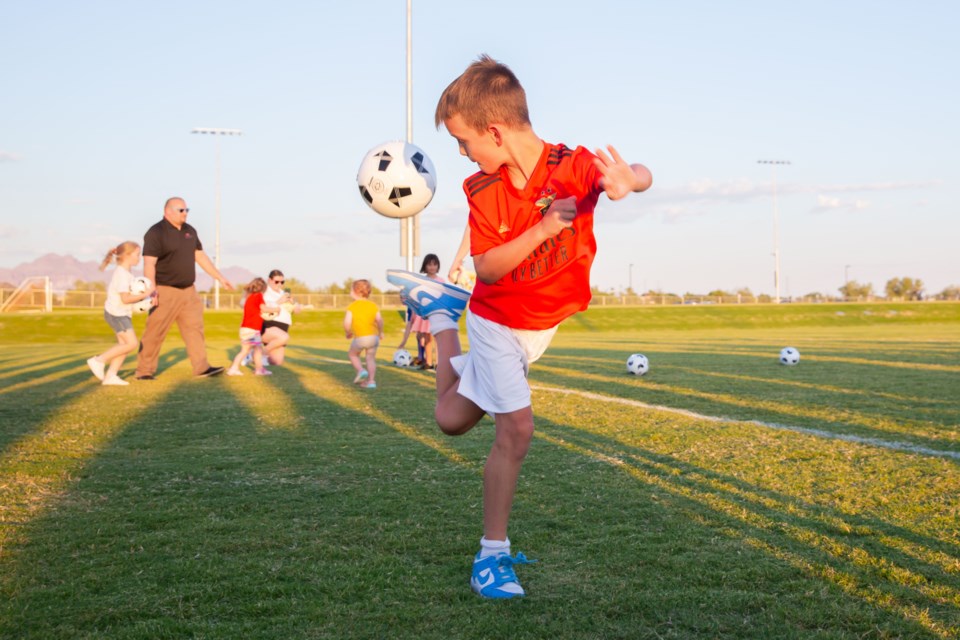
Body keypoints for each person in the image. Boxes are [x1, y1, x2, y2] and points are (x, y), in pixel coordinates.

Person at [387, 55, 652, 599]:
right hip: (496, 319)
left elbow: (637, 174)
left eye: (463, 142)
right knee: (518, 429)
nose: (462, 154)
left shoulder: (572, 165)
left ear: (495, 130)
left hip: (539, 327)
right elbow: (486, 267)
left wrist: (631, 181)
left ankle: (439, 315)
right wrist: (549, 225)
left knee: (451, 418)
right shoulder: (482, 189)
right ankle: (492, 556)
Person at [134, 197, 234, 380]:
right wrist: (151, 290)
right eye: (181, 210)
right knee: (155, 332)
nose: (185, 213)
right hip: (164, 291)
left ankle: (202, 368)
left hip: (189, 291)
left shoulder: (190, 231)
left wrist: (220, 278)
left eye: (187, 209)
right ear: (168, 211)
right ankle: (144, 371)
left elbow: (201, 257)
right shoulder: (156, 232)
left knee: (195, 330)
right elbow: (149, 264)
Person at [86, 241, 153, 386]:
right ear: (127, 255)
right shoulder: (122, 274)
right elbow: (126, 298)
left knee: (123, 345)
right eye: (137, 254)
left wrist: (147, 302)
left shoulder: (127, 273)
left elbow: (130, 300)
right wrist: (145, 294)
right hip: (116, 314)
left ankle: (111, 376)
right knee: (131, 343)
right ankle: (98, 360)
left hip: (121, 313)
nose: (139, 258)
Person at [397, 253, 444, 370]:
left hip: (436, 312)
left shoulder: (441, 281)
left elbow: (443, 296)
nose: (432, 267)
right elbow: (415, 296)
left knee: (438, 339)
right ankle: (428, 362)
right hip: (424, 313)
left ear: (438, 266)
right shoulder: (420, 281)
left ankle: (439, 363)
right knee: (427, 338)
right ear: (425, 266)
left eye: (434, 264)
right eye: (429, 264)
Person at [226, 277, 273, 376]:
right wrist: (276, 310)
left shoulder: (249, 296)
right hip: (252, 329)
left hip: (245, 328)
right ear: (263, 288)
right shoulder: (258, 296)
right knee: (255, 349)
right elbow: (263, 308)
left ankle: (255, 369)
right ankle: (255, 370)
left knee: (250, 349)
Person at [343, 279, 383, 389]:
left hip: (360, 338)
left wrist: (348, 332)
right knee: (370, 358)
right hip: (373, 337)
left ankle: (361, 370)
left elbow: (346, 323)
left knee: (353, 354)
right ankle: (371, 382)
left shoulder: (352, 307)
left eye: (351, 290)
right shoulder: (373, 305)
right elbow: (379, 320)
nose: (350, 292)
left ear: (357, 291)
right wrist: (381, 332)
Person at [259, 269, 299, 366]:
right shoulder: (265, 293)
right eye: (276, 281)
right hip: (268, 326)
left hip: (283, 328)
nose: (279, 284)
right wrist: (279, 301)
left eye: (282, 282)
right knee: (284, 337)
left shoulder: (284, 293)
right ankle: (258, 354)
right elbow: (263, 308)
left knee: (276, 362)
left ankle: (260, 357)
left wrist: (295, 305)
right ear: (269, 280)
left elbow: (296, 310)